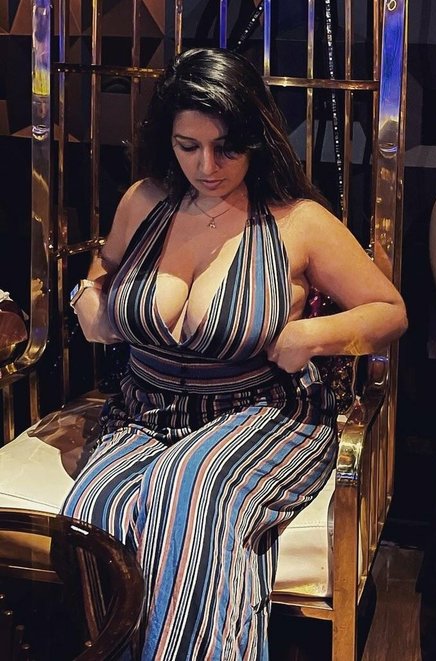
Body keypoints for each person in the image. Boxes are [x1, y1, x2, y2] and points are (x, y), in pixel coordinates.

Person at [64, 47, 407, 660]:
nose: (207, 165)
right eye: (188, 146)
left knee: (192, 488)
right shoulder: (144, 200)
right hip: (142, 415)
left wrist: (310, 336)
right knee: (96, 507)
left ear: (256, 138)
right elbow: (103, 268)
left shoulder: (298, 222)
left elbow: (390, 311)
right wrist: (86, 297)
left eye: (226, 147)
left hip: (261, 414)